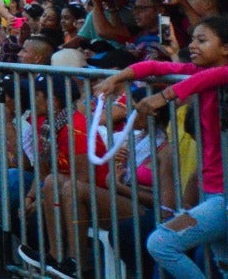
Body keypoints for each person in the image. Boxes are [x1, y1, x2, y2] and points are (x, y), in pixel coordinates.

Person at [94, 16, 228, 279]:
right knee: (223, 264)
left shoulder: (219, 75)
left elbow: (214, 76)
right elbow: (155, 66)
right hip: (210, 189)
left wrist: (164, 96)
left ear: (225, 48)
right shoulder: (199, 72)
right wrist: (117, 78)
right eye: (192, 39)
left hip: (222, 197)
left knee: (161, 243)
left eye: (202, 40)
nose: (192, 45)